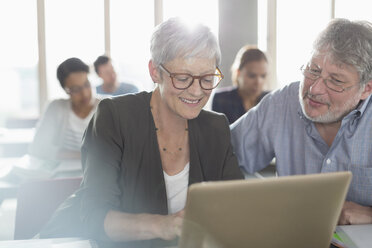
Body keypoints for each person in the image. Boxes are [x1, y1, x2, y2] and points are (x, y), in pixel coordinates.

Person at [40, 17, 243, 247]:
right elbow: (94, 216)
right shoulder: (114, 117)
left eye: (207, 79)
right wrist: (163, 225)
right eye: (183, 78)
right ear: (154, 72)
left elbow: (234, 204)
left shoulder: (216, 128)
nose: (197, 91)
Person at [231, 18, 372, 225]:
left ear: (366, 89)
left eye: (335, 81)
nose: (314, 90)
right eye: (313, 70)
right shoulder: (282, 103)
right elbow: (222, 155)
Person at [29, 57, 100, 163]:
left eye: (87, 85)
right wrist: (82, 155)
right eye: (76, 89)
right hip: (63, 175)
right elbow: (37, 148)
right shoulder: (56, 108)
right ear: (66, 90)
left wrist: (63, 154)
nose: (84, 94)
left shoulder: (107, 107)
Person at [212, 45, 269, 123]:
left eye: (263, 76)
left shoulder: (269, 99)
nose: (258, 82)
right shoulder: (221, 99)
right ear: (238, 73)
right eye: (252, 76)